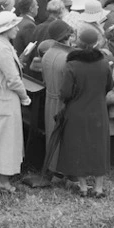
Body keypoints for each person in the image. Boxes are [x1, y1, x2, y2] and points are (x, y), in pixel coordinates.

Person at [55, 27, 114, 198]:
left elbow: (65, 92)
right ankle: (99, 187)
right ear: (96, 43)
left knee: (77, 146)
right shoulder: (103, 63)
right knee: (99, 147)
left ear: (78, 43)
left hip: (76, 111)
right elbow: (110, 86)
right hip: (98, 110)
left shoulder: (72, 64)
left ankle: (82, 187)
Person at [0, 11, 31, 193]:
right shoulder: (1, 48)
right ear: (7, 29)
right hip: (4, 95)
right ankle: (3, 181)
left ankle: (1, 178)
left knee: (0, 135)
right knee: (5, 138)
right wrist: (25, 97)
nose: (17, 29)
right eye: (14, 26)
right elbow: (13, 79)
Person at [40, 20, 74, 174]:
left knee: (52, 133)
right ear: (68, 35)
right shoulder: (68, 57)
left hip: (50, 98)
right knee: (65, 136)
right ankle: (64, 170)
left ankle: (53, 167)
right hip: (64, 101)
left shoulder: (48, 53)